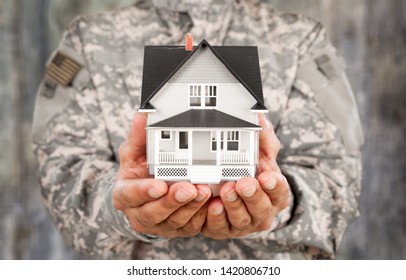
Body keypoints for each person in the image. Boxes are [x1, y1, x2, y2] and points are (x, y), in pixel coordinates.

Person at [32, 0, 364, 259]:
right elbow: (60, 174)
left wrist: (281, 202)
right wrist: (120, 205)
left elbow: (338, 184)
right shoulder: (89, 41)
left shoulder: (300, 41)